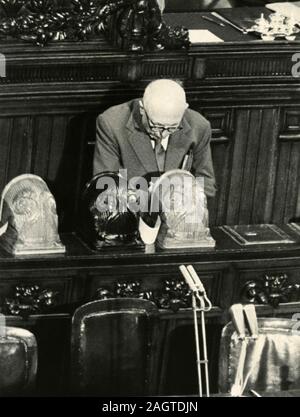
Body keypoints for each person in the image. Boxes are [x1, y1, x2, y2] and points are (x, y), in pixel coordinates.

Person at [93, 79, 216, 197]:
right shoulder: (112, 123)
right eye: (156, 126)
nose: (162, 134)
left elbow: (207, 185)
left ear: (184, 110)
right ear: (142, 109)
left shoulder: (199, 126)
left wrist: (178, 197)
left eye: (172, 128)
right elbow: (106, 186)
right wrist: (145, 197)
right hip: (132, 211)